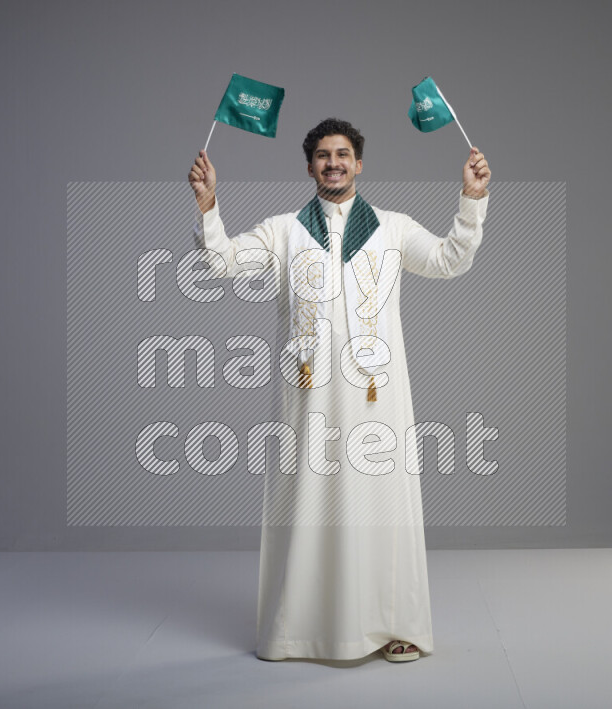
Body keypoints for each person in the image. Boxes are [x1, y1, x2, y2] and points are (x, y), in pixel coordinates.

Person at [188, 118, 490, 662]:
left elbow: (449, 259)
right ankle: (299, 630)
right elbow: (224, 262)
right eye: (323, 155)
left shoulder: (392, 228)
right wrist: (209, 205)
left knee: (383, 505)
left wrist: (471, 200)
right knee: (308, 505)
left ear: (358, 163)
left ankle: (396, 625)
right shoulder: (284, 230)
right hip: (309, 399)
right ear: (309, 167)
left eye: (343, 154)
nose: (334, 162)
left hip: (379, 398)